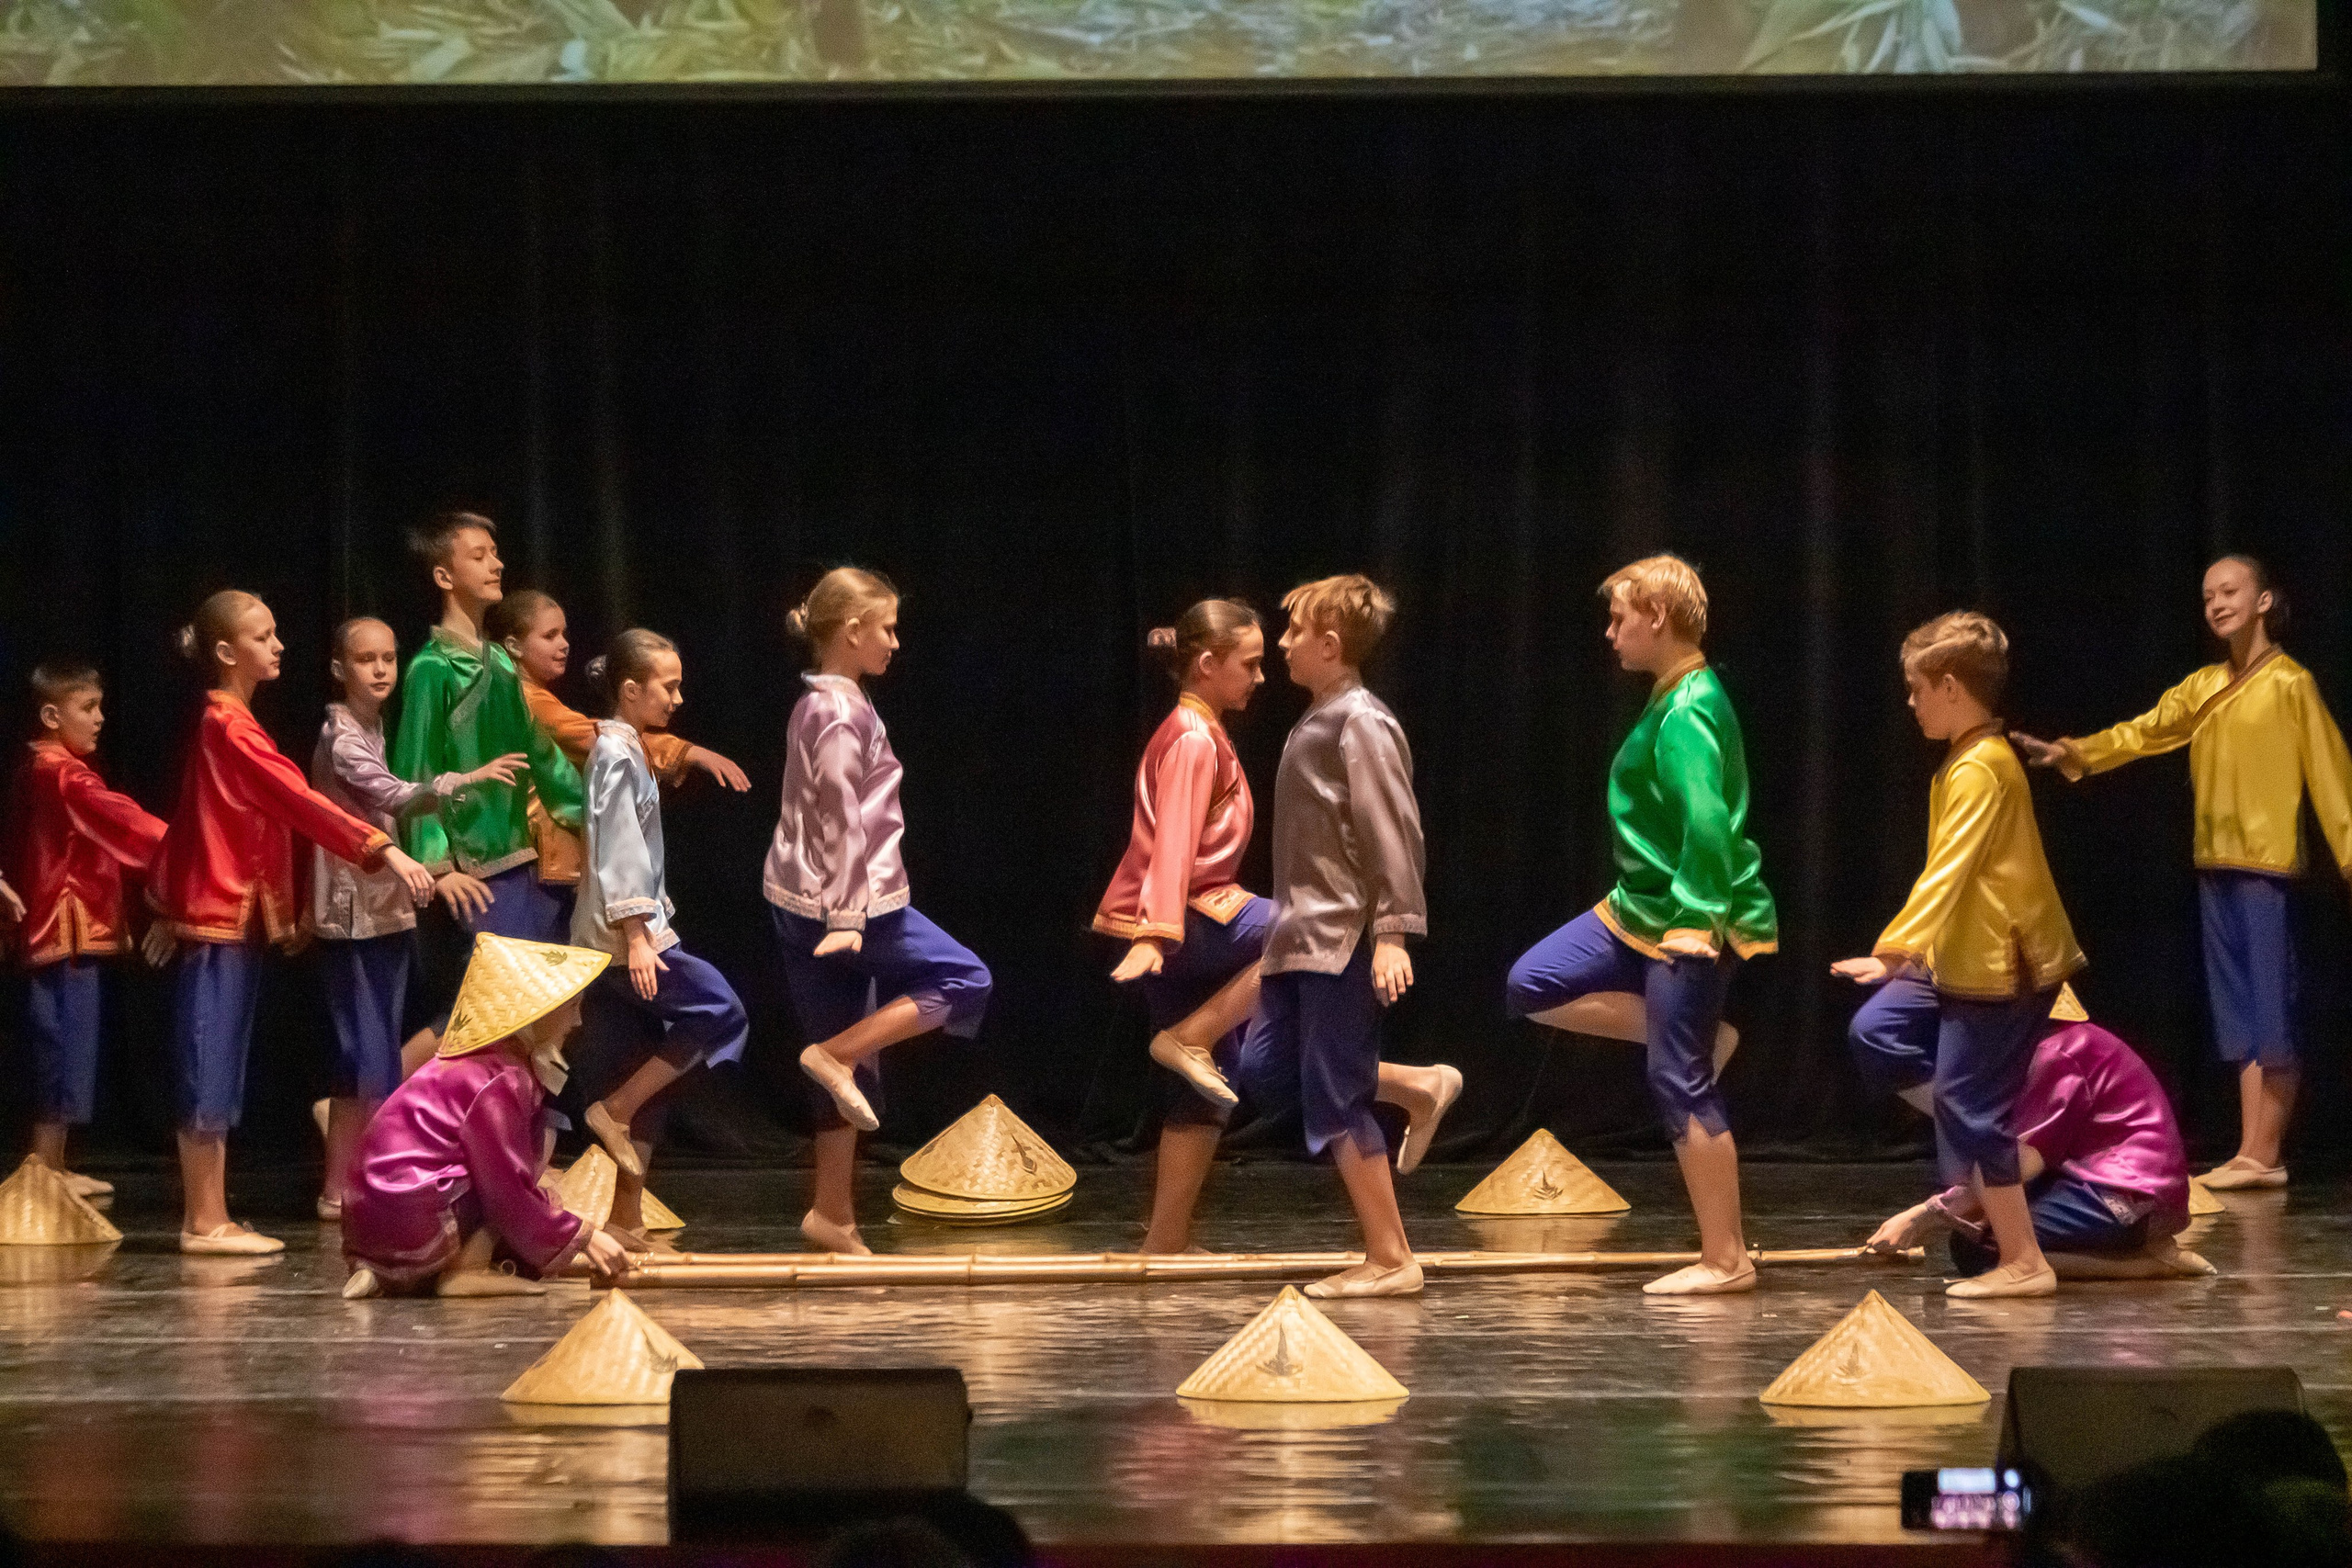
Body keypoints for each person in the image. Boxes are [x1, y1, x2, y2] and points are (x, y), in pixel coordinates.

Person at [1094, 601, 1460, 1253]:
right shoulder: (1194, 737)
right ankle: (1194, 1037)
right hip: (1186, 916)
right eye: (1251, 662)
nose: (1262, 675)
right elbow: (1173, 842)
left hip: (1178, 916)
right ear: (1208, 665)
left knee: (1212, 1084)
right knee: (1298, 928)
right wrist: (1156, 931)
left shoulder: (1206, 729)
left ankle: (1165, 1241)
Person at [2012, 556, 2352, 1191]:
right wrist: (2075, 752)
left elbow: (2335, 781)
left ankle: (2266, 1151)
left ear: (2263, 600)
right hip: (2214, 865)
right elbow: (2145, 732)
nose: (2217, 603)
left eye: (2230, 591)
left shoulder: (2291, 684)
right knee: (2240, 1014)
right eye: (2208, 596)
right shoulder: (2202, 686)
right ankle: (2252, 1151)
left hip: (2267, 867)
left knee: (2271, 1010)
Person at [1505, 555, 1777, 1296]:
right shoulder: (1671, 696)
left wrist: (1697, 920)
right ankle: (1698, 1038)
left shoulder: (1689, 708)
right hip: (1636, 907)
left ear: (1657, 616)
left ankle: (1726, 1257)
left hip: (1686, 915)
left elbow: (1708, 823)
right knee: (1531, 982)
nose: (1610, 631)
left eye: (1620, 617)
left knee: (1678, 1080)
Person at [145, 591, 435, 1255]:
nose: (278, 645)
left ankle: (211, 1214)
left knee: (221, 1055)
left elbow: (206, 823)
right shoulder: (227, 726)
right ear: (227, 653)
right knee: (209, 1055)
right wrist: (381, 847)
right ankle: (204, 1219)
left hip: (229, 914)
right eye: (263, 636)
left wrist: (169, 899)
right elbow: (295, 799)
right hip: (218, 916)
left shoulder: (232, 722)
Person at [1837, 611, 2084, 1299]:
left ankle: (2024, 1259)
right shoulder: (1964, 759)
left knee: (1972, 1104)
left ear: (1950, 687)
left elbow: (1948, 870)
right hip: (1960, 958)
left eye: (1917, 689)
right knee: (1876, 1031)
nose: (1911, 702)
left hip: (2004, 967)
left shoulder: (1984, 766)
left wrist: (1894, 951)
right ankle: (1977, 1119)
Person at [765, 569, 992, 1255]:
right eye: (886, 629)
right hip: (849, 904)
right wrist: (846, 918)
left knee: (842, 1062)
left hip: (803, 897)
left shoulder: (825, 701)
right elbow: (840, 817)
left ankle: (832, 1213)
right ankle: (835, 1055)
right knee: (965, 979)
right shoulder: (839, 712)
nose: (895, 642)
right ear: (850, 631)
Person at [1238, 574, 1430, 1299]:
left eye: (1293, 633)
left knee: (1335, 1097)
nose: (1282, 643)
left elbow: (1392, 828)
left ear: (1329, 644)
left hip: (1339, 935)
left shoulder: (1361, 721)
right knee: (1265, 1071)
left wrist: (1393, 931)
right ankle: (1415, 1084)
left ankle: (1391, 1256)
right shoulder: (1319, 716)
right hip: (1297, 935)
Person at [309, 618, 525, 1220]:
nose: (381, 669)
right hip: (351, 916)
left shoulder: (374, 727)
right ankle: (344, 1185)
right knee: (364, 1057)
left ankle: (352, 1180)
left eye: (388, 657)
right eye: (365, 660)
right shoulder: (342, 737)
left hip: (386, 912)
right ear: (339, 669)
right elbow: (392, 793)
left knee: (376, 1056)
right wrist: (464, 779)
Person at [569, 630, 750, 1245]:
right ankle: (614, 1110)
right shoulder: (616, 755)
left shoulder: (628, 748)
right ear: (630, 690)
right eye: (667, 687)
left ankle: (626, 1216)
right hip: (626, 940)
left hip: (623, 935)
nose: (678, 698)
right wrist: (639, 935)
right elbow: (619, 848)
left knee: (643, 1065)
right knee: (720, 1010)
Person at [342, 933, 631, 1298]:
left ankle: (388, 1270)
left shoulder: (480, 1063)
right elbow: (506, 1187)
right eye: (571, 1006)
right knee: (505, 1184)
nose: (577, 1021)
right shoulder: (500, 1078)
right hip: (414, 1213)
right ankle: (465, 1270)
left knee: (525, 1189)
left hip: (376, 1217)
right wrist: (582, 1235)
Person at [1864, 1002, 2207, 1280]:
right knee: (1977, 1232)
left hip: (2125, 1193)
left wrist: (1926, 1214)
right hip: (2091, 1181)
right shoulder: (2044, 1046)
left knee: (1989, 1249)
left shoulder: (2055, 1053)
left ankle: (2142, 1264)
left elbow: (2015, 1166)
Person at [1, 660, 167, 1195]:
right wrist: (185, 844)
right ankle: (44, 1172)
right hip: (61, 931)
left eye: (100, 707)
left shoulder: (43, 769)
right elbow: (119, 817)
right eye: (87, 708)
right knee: (60, 1048)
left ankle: (55, 1167)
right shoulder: (61, 773)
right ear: (52, 716)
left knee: (69, 1048)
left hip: (67, 932)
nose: (99, 718)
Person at [390, 512, 584, 955]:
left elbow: (540, 753)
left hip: (522, 858)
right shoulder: (432, 668)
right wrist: (437, 867)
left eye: (495, 554)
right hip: (473, 871)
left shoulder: (498, 660)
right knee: (502, 988)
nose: (496, 565)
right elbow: (416, 771)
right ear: (445, 576)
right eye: (479, 556)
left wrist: (590, 813)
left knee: (540, 988)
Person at [488, 588, 749, 912]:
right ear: (513, 645)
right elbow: (596, 738)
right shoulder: (522, 697)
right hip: (536, 863)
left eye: (564, 634)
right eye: (550, 636)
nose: (564, 644)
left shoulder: (528, 694)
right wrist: (686, 752)